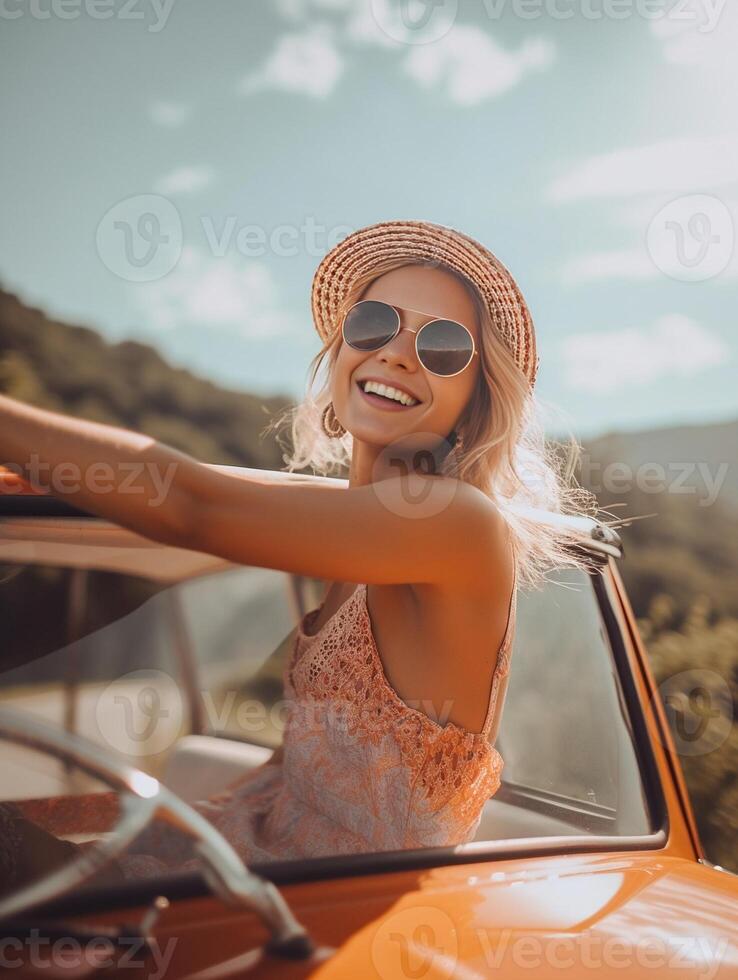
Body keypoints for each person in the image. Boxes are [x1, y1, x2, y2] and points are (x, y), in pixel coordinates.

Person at [0, 219, 600, 876]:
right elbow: (290, 778)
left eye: (445, 346)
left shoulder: (454, 523)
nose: (398, 354)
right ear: (342, 349)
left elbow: (193, 507)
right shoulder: (350, 548)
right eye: (375, 323)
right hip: (245, 876)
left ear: (475, 403)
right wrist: (101, 816)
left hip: (326, 925)